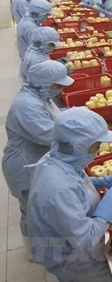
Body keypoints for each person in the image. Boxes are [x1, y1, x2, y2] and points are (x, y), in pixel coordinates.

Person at [27, 107, 112, 281]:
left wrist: (99, 181)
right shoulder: (57, 189)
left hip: (70, 239)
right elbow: (86, 239)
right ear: (79, 146)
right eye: (97, 145)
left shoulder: (59, 158)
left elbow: (74, 182)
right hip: (71, 259)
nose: (98, 151)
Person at [3, 61, 73, 259]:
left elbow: (54, 117)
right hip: (25, 165)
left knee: (40, 209)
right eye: (57, 85)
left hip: (37, 158)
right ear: (45, 83)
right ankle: (35, 252)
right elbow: (51, 135)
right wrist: (82, 136)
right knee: (31, 212)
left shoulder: (38, 94)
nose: (60, 90)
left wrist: (74, 114)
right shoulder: (27, 106)